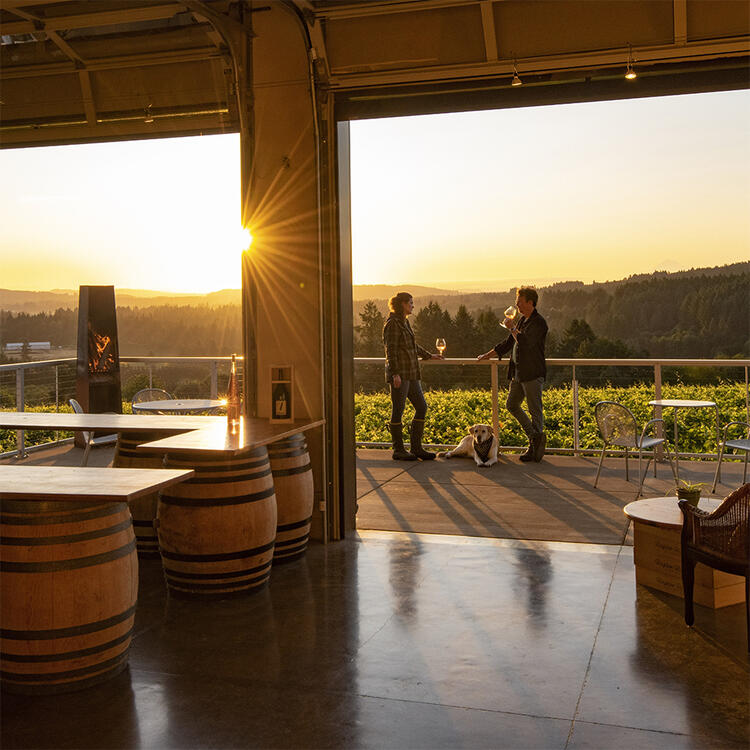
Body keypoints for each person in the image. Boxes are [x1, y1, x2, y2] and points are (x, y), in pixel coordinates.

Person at [478, 286, 548, 462]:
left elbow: (526, 343)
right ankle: (535, 438)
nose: (517, 307)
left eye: (519, 303)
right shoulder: (522, 321)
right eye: (516, 304)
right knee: (511, 405)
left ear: (530, 302)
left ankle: (534, 449)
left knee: (535, 410)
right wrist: (486, 356)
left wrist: (512, 329)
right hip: (518, 373)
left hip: (532, 372)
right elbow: (508, 344)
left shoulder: (539, 323)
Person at [383, 292, 443, 460]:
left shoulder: (404, 322)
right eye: (410, 302)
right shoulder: (393, 324)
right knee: (398, 410)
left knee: (422, 407)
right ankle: (398, 450)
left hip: (411, 373)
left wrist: (429, 355)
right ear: (402, 304)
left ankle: (416, 448)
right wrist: (395, 373)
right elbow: (391, 350)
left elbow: (412, 345)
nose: (413, 305)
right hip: (400, 374)